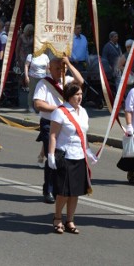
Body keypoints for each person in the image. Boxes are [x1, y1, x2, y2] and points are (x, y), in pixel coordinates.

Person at [33, 55, 84, 204]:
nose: (60, 71)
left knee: (64, 158)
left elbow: (80, 81)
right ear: (50, 68)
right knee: (52, 156)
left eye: (63, 68)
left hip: (66, 125)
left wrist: (68, 63)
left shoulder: (67, 81)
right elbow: (38, 104)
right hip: (49, 124)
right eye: (57, 68)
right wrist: (59, 109)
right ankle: (48, 189)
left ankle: (58, 187)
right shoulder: (43, 83)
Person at [47, 82, 95, 234]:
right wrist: (50, 155)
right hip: (65, 155)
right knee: (63, 191)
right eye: (76, 94)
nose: (80, 97)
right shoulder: (60, 112)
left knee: (75, 191)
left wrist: (88, 151)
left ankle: (70, 220)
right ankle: (57, 218)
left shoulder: (83, 112)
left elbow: (84, 134)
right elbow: (53, 135)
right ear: (69, 96)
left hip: (79, 156)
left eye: (81, 94)